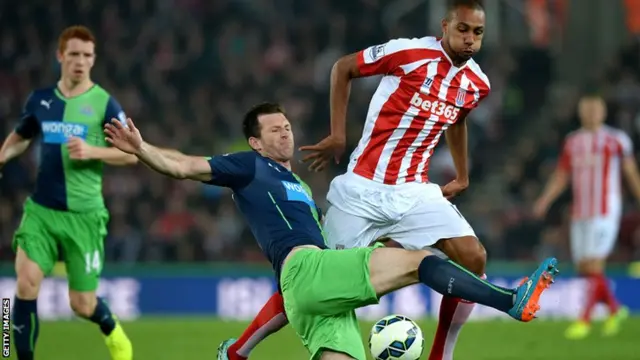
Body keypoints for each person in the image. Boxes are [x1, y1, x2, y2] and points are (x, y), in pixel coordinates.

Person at [104, 102, 558, 360]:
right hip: (305, 271)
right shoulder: (247, 167)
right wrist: (142, 149)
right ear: (255, 142)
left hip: (315, 295)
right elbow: (183, 166)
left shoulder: (298, 184)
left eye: (287, 126)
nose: (285, 134)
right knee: (427, 263)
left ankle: (235, 353)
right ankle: (508, 300)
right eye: (274, 130)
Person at [222, 0, 493, 359]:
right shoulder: (407, 52)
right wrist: (337, 135)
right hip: (363, 189)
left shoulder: (477, 83)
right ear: (445, 26)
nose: (470, 39)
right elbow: (343, 67)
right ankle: (239, 350)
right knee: (313, 282)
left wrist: (461, 173)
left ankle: (441, 354)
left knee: (473, 257)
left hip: (415, 191)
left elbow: (457, 119)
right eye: (463, 29)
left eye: (477, 32)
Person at [0, 26, 136, 360]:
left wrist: (94, 152)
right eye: (74, 54)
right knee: (26, 280)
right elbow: (20, 137)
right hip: (42, 213)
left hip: (84, 217)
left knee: (81, 304)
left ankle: (113, 330)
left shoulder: (104, 103)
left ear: (93, 60)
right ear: (60, 56)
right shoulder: (40, 100)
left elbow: (132, 153)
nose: (80, 61)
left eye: (87, 55)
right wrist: (1, 156)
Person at [534, 93, 640, 339]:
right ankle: (614, 309)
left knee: (594, 263)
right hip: (580, 211)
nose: (591, 113)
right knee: (584, 267)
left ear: (603, 112)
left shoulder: (617, 140)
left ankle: (585, 320)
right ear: (581, 112)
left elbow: (631, 172)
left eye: (595, 109)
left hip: (605, 210)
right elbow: (562, 175)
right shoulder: (573, 141)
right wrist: (545, 199)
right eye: (587, 109)